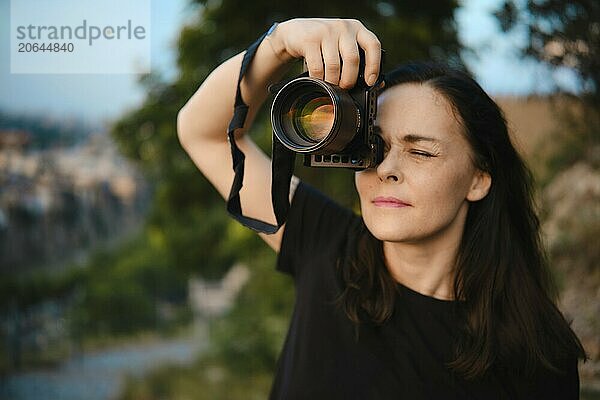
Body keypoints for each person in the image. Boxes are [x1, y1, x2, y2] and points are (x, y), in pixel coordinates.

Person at [177, 18, 587, 399]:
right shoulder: (327, 244)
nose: (386, 169)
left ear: (479, 179)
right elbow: (205, 133)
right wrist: (279, 43)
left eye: (421, 152)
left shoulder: (539, 354)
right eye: (374, 147)